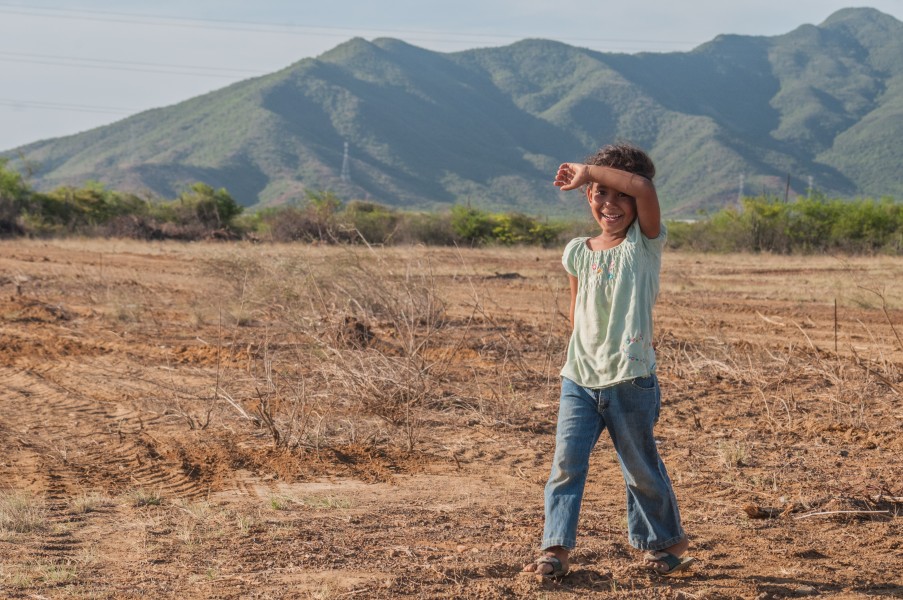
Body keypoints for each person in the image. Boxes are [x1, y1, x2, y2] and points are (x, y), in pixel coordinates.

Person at [521, 143, 694, 578]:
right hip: (579, 378)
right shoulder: (578, 250)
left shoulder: (645, 243)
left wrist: (589, 170)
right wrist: (580, 359)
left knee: (639, 469)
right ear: (586, 196)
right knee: (565, 466)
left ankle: (668, 546)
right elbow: (579, 315)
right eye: (600, 193)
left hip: (630, 378)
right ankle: (555, 552)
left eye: (621, 196)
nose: (611, 204)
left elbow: (644, 186)